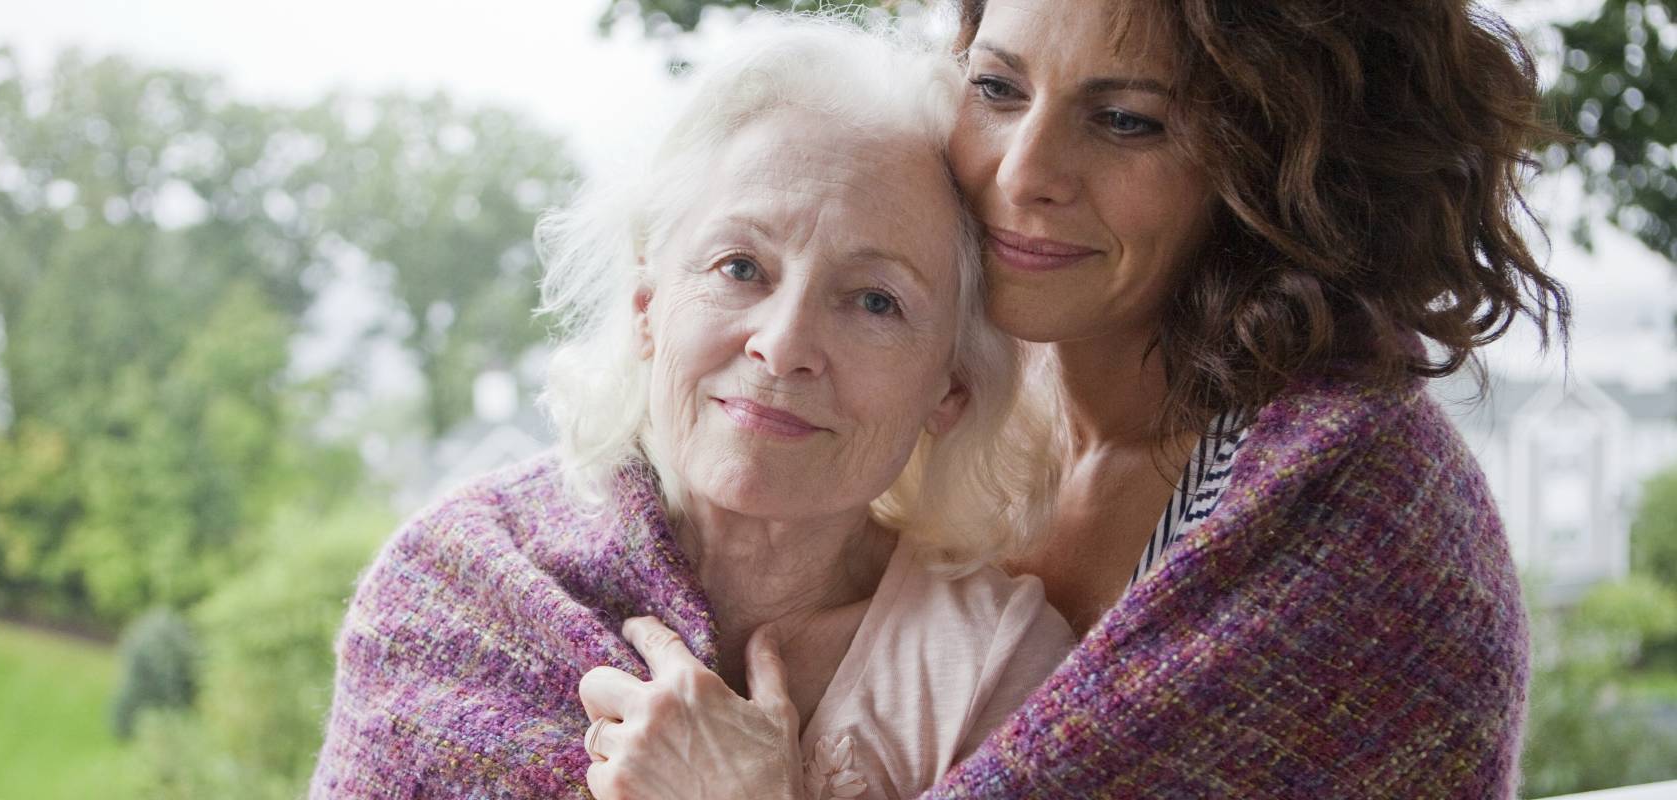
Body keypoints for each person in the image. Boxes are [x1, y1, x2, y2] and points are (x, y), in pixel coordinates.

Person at [586, 0, 1572, 797]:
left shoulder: (1356, 519)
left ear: (1273, 160)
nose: (1023, 172)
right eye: (998, 88)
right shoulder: (920, 378)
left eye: (1126, 120)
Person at [307, 19, 1077, 800]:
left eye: (876, 301)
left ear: (950, 389)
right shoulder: (459, 585)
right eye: (741, 266)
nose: (784, 345)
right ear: (648, 308)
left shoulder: (997, 672)